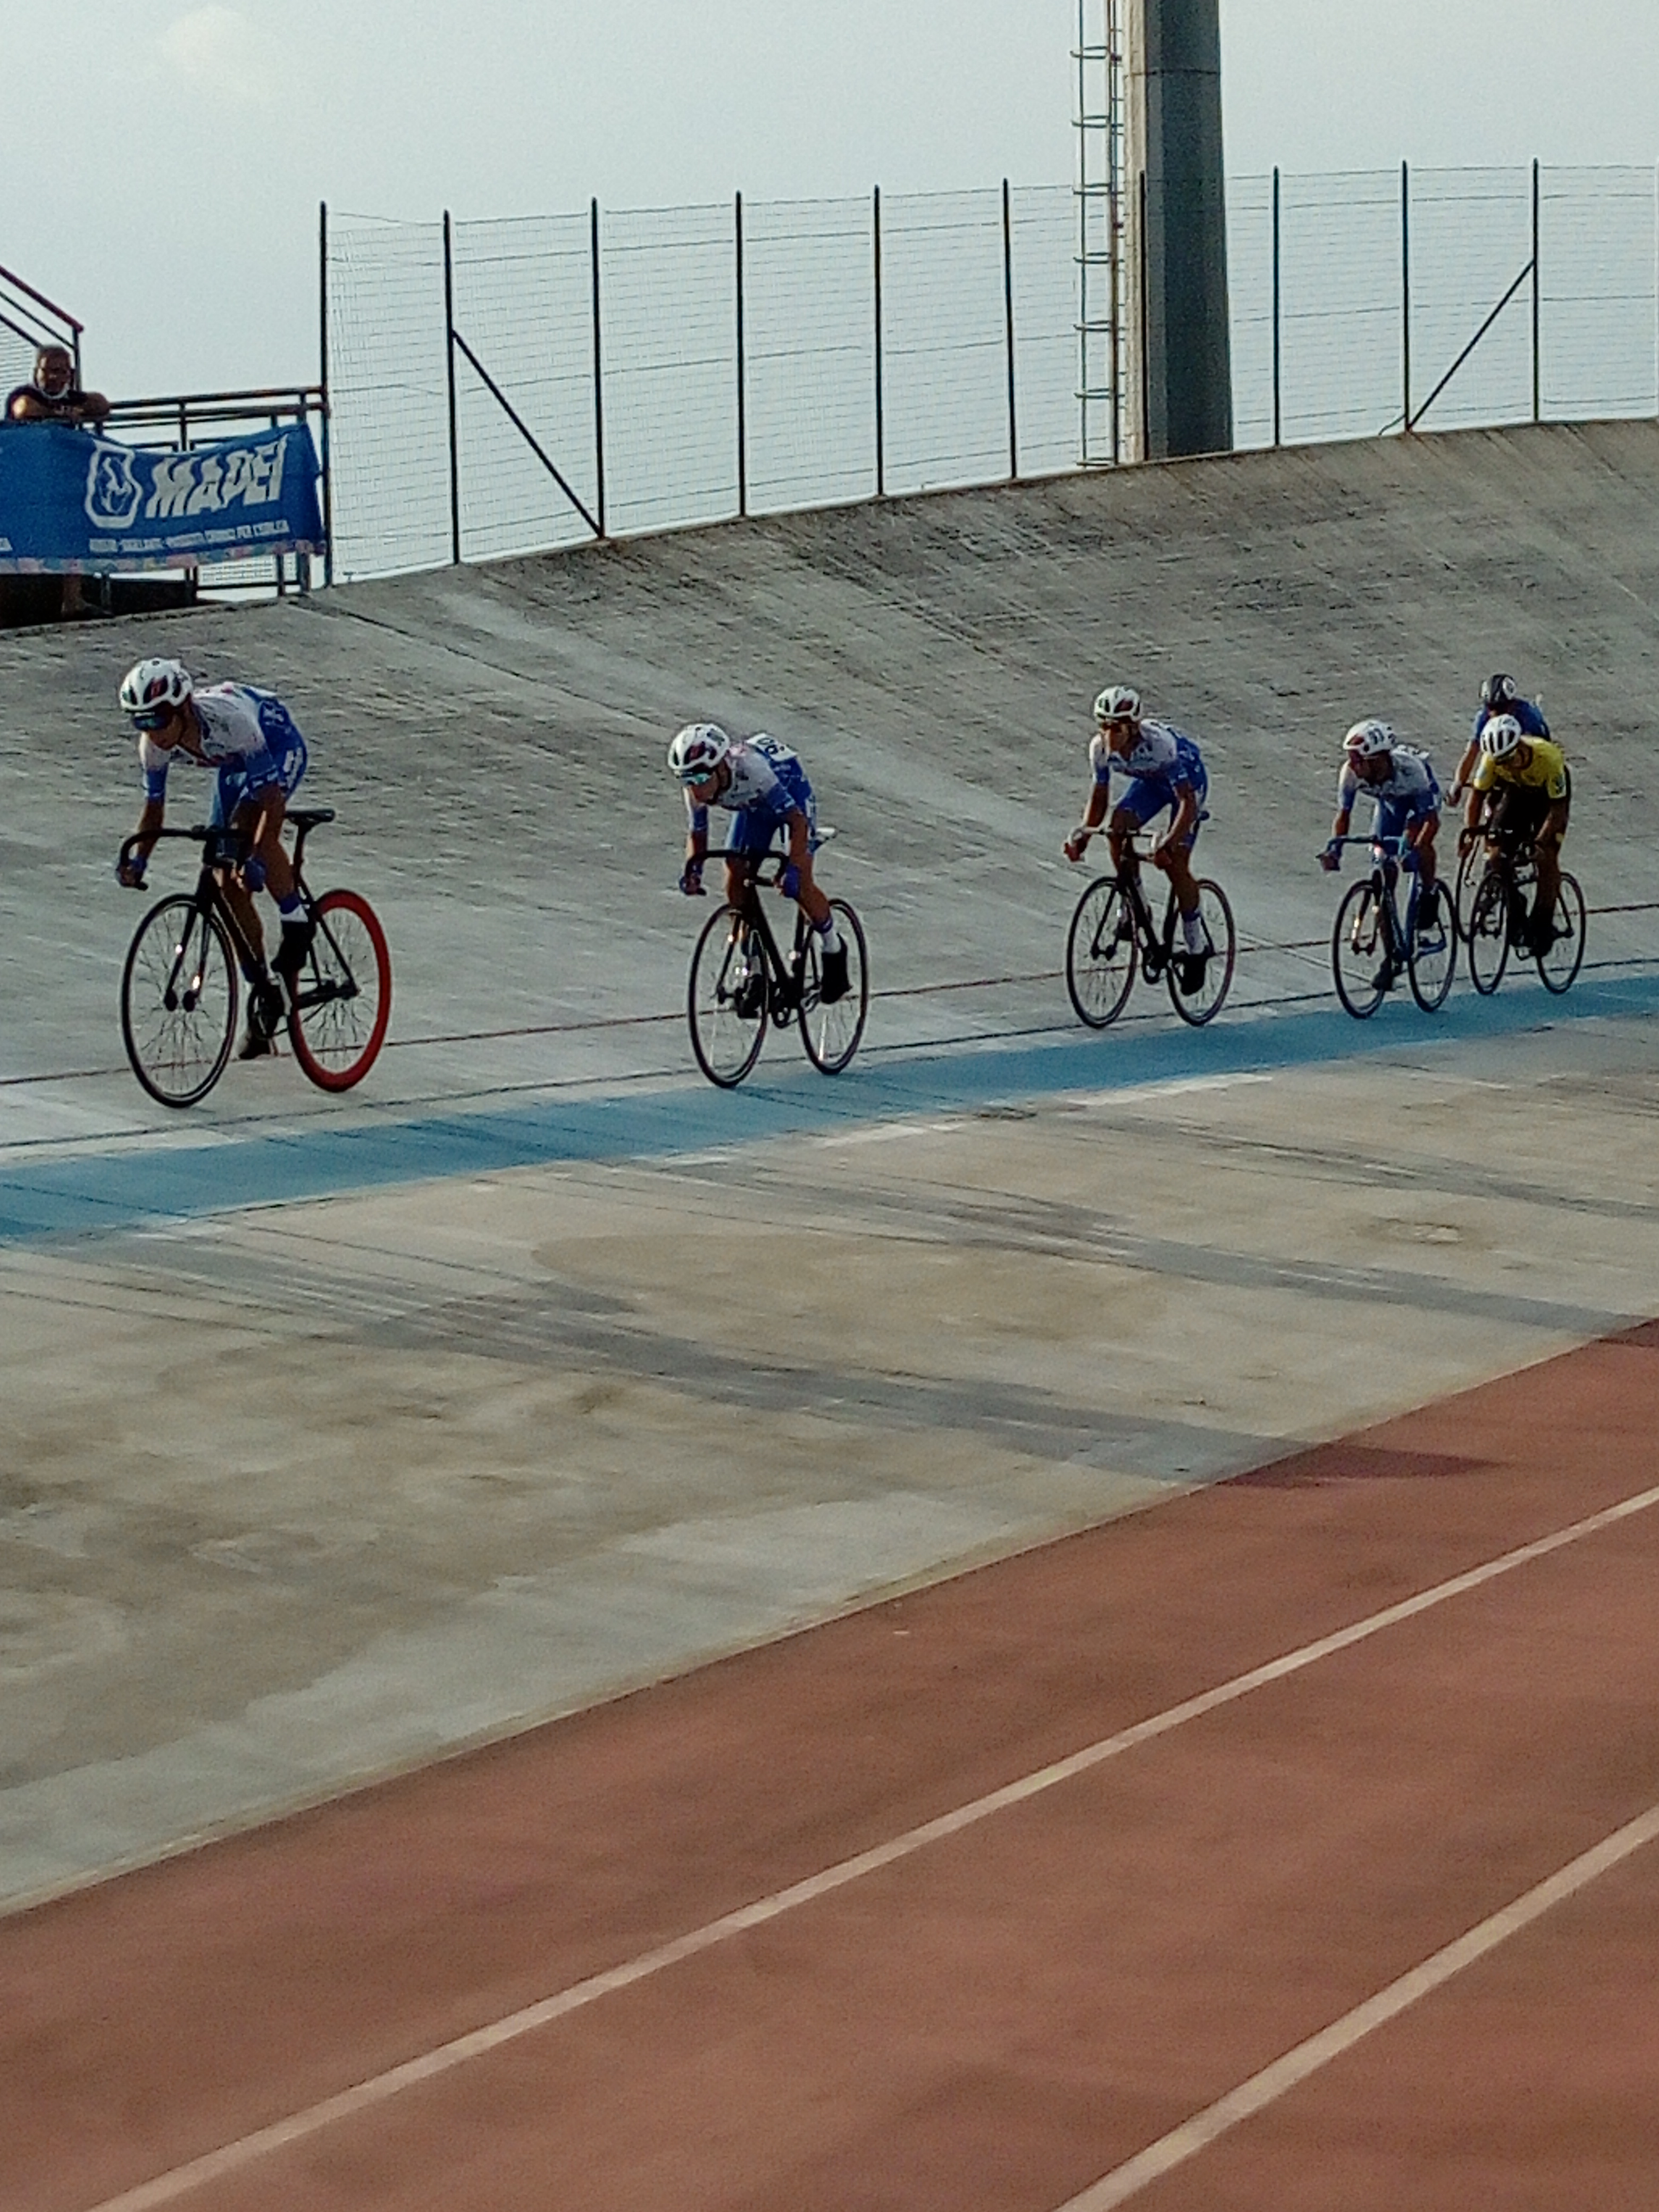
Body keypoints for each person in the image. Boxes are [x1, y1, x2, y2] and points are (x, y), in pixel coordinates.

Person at [115, 658, 314, 1058]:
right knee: (222, 881)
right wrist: (138, 861)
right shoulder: (153, 746)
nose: (151, 733)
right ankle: (262, 993)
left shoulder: (229, 722)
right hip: (232, 762)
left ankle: (298, 922)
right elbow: (154, 810)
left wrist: (258, 856)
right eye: (141, 723)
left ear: (184, 707)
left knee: (248, 832)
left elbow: (271, 803)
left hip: (274, 743)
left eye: (158, 720)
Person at [670, 722, 849, 1003]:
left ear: (720, 768)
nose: (696, 790)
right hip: (754, 809)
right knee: (734, 880)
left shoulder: (753, 770)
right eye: (687, 781)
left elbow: (797, 823)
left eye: (701, 779)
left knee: (799, 884)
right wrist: (694, 870)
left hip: (792, 800)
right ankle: (756, 970)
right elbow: (697, 832)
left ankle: (833, 947)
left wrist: (793, 867)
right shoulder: (695, 790)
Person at [1062, 684, 1212, 992]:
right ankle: (1136, 907)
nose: (1109, 736)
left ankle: (1197, 949)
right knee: (1117, 829)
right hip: (1151, 785)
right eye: (1103, 727)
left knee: (1175, 863)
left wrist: (1168, 844)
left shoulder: (1161, 746)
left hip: (1187, 787)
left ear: (1132, 728)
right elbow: (1100, 797)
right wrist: (1084, 836)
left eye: (1115, 728)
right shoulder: (1100, 750)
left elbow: (1186, 803)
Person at [1319, 719, 1445, 985]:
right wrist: (1335, 848)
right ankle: (1392, 958)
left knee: (1416, 847)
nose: (1354, 766)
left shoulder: (1412, 771)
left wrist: (1413, 846)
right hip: (1389, 805)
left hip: (1418, 803)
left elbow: (1431, 823)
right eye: (1351, 760)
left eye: (1360, 760)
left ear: (1379, 759)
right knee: (1382, 878)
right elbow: (1343, 816)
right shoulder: (1350, 774)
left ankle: (1430, 894)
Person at [1463, 712, 1572, 952]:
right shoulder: (1493, 760)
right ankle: (1514, 903)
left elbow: (1558, 811)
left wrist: (1541, 841)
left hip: (1549, 800)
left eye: (1509, 758)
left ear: (1520, 745)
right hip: (1518, 793)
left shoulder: (1548, 758)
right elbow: (1477, 797)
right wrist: (1472, 833)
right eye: (1500, 761)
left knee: (1546, 856)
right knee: (1496, 854)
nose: (1505, 764)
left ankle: (1543, 922)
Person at [1448, 673, 1548, 805]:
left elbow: (1543, 752)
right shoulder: (1483, 717)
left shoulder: (1530, 717)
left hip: (1527, 761)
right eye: (1491, 708)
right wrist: (1458, 783)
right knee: (1483, 793)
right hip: (1499, 762)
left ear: (1512, 704)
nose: (1495, 713)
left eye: (1501, 708)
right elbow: (1472, 752)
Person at [5, 345, 109, 427]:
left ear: (70, 375)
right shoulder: (25, 393)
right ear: (36, 372)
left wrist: (80, 411)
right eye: (51, 371)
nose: (54, 377)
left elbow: (101, 404)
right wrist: (60, 414)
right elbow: (23, 408)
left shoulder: (70, 397)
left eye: (62, 372)